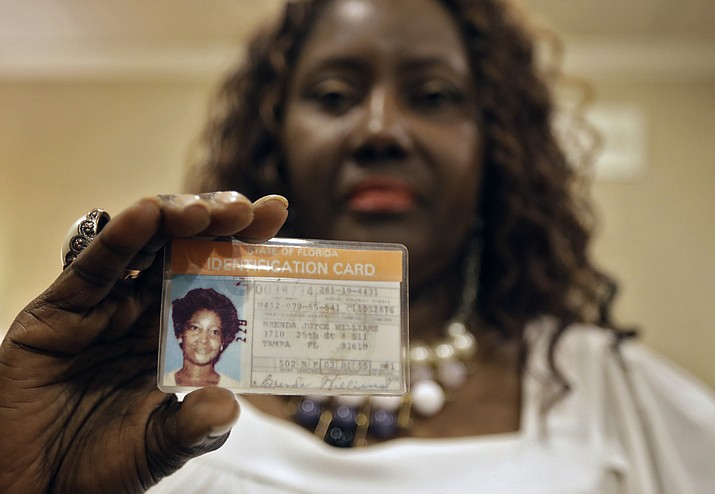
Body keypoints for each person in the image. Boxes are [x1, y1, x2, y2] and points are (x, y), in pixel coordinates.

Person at [1, 0, 714, 493]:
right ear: (275, 134)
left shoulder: (612, 395)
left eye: (432, 96)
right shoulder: (147, 374)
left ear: (494, 144)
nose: (380, 129)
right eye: (335, 96)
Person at [163, 287, 243, 388]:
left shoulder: (233, 388)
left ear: (222, 342)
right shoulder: (162, 384)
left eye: (215, 332)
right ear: (180, 334)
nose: (204, 339)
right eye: (195, 328)